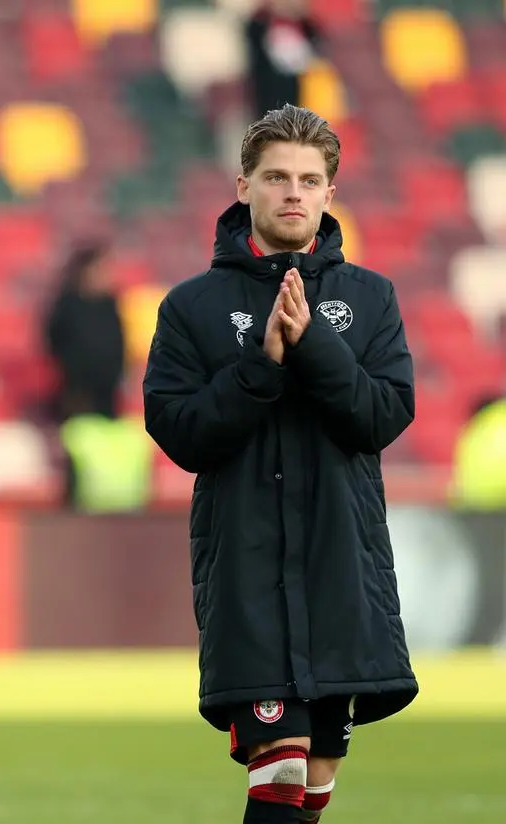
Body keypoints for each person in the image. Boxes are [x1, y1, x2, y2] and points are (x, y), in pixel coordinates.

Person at [141, 104, 418, 824]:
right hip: (247, 571)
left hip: (341, 568)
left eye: (308, 179)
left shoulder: (371, 298)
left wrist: (315, 347)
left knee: (315, 776)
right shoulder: (191, 307)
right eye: (276, 177)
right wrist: (260, 367)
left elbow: (383, 417)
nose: (293, 192)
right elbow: (179, 433)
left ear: (329, 192)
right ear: (244, 187)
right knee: (283, 764)